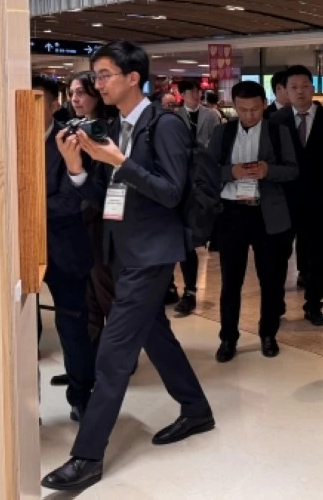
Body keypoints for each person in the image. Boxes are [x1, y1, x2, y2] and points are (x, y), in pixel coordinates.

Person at [43, 42, 213, 493]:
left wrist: (119, 161)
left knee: (114, 355)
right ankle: (196, 409)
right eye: (95, 76)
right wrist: (77, 167)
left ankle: (87, 457)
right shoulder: (114, 126)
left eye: (104, 75)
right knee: (155, 335)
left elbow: (171, 192)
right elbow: (105, 201)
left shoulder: (165, 125)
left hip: (153, 252)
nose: (98, 84)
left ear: (133, 77)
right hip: (121, 249)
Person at [207, 81, 299, 361]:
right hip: (232, 213)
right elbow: (207, 172)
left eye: (255, 109)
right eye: (244, 109)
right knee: (230, 281)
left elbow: (293, 171)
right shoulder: (222, 133)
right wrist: (230, 172)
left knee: (271, 279)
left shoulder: (277, 131)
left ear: (264, 105)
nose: (250, 115)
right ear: (234, 106)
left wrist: (268, 170)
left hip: (266, 213)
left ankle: (268, 334)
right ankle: (228, 338)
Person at [34, 76, 95, 422]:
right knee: (26, 333)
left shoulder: (71, 141)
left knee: (72, 327)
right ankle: (30, 406)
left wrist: (25, 206)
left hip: (66, 249)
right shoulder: (8, 139)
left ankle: (81, 395)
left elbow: (74, 201)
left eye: (38, 100)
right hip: (21, 252)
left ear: (55, 104)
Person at [269, 65, 323, 326]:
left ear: (313, 88)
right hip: (285, 199)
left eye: (304, 86)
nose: (299, 92)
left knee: (317, 256)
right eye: (293, 87)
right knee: (278, 254)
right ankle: (275, 303)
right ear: (285, 91)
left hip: (320, 198)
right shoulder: (276, 121)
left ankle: (314, 305)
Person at [65, 72, 117, 382]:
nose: (75, 99)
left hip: (99, 221)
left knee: (105, 291)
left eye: (82, 93)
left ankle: (117, 360)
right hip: (73, 222)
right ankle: (89, 365)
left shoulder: (107, 133)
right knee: (86, 298)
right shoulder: (70, 129)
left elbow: (103, 185)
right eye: (72, 93)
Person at [170, 80, 221, 316]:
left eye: (198, 91)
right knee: (171, 238)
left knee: (190, 240)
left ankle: (190, 291)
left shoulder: (211, 116)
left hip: (199, 180)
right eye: (191, 92)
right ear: (182, 95)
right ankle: (168, 287)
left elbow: (213, 147)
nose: (196, 95)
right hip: (175, 181)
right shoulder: (172, 117)